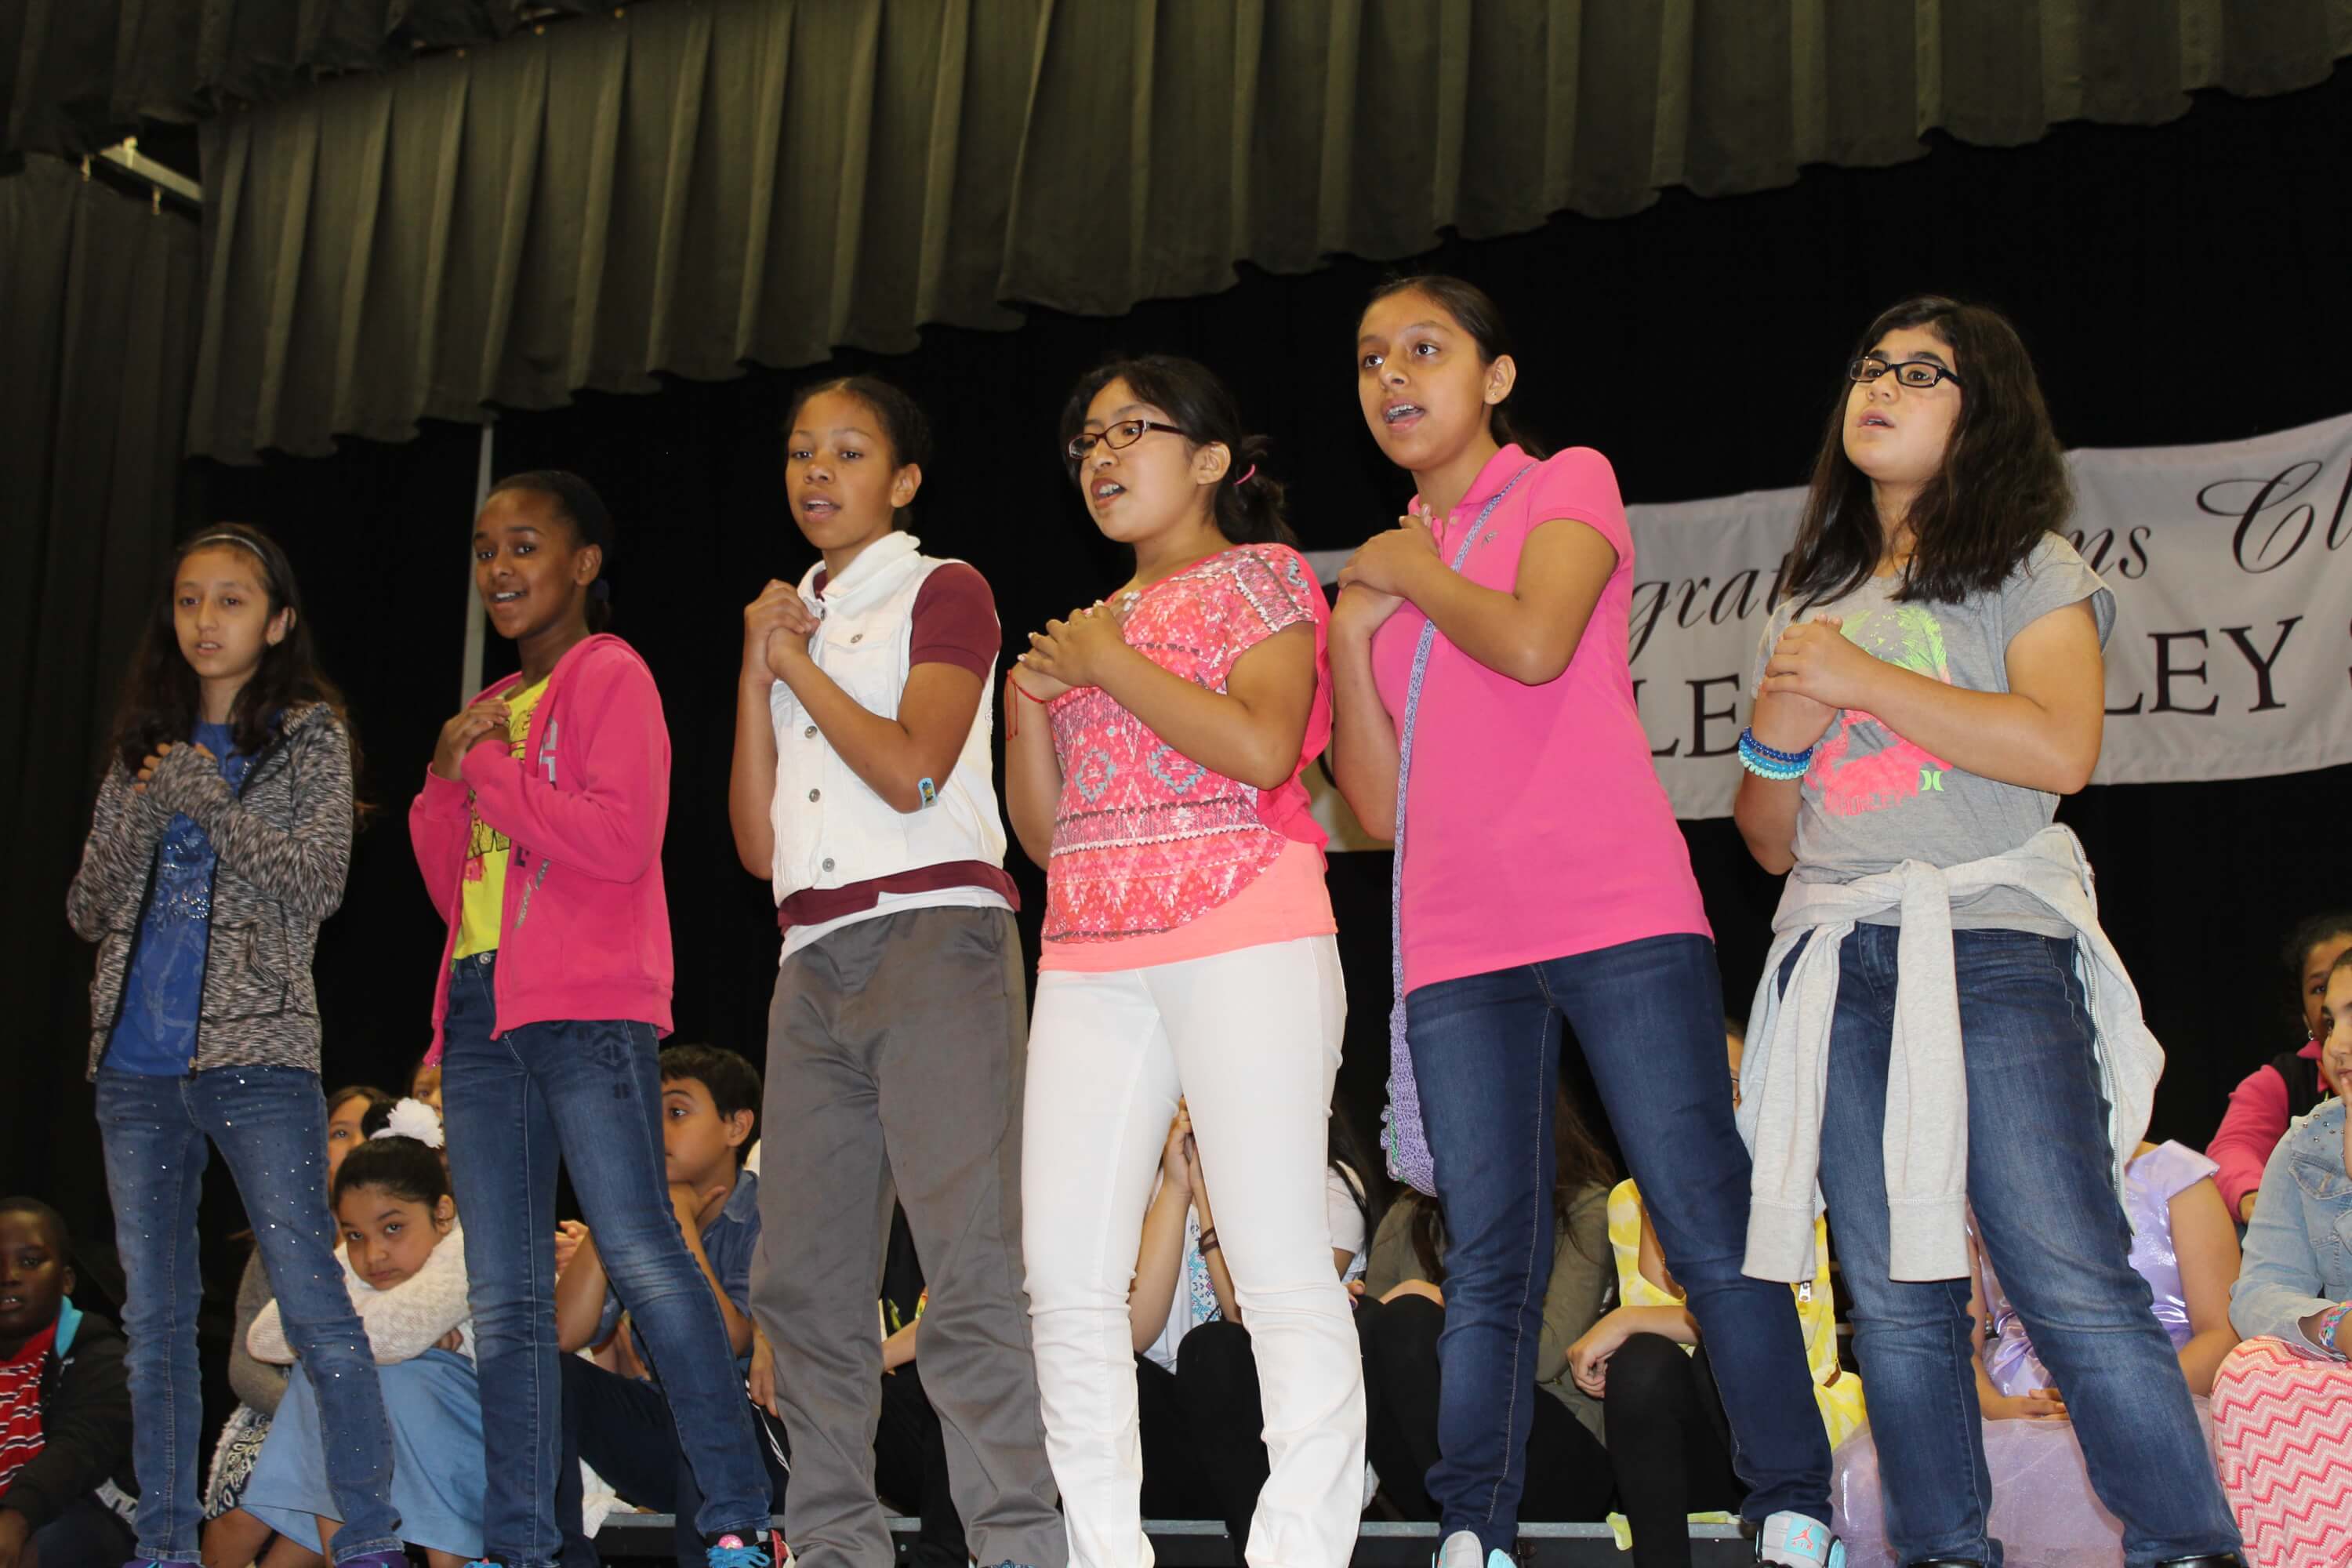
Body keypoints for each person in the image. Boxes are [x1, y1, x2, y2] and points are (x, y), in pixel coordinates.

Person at [1325, 274, 1836, 1568]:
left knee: (1701, 1205)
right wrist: (1351, 628)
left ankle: (1792, 1502)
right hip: (1454, 940)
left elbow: (1540, 642)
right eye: (1373, 357)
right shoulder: (1390, 576)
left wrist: (1409, 574)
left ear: (1496, 378)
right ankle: (1473, 1527)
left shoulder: (1566, 485)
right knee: (1488, 1247)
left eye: (1425, 350)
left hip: (1613, 904)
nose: (1392, 376)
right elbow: (1377, 807)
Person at [1731, 295, 2243, 1568]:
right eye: (1870, 365)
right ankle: (1945, 1552)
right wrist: (1772, 745)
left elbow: (2061, 746)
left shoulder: (2031, 565)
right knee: (1899, 1310)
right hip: (1841, 956)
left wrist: (1857, 679)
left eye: (1923, 372)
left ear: (1984, 413)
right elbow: (1768, 837)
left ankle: (2189, 1544)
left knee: (2066, 1274)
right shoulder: (1812, 588)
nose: (1882, 385)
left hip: (1991, 946)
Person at [1011, 354, 1360, 1568]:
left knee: (1273, 1263)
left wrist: (1107, 665)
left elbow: (1267, 748)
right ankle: (1102, 1549)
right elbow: (1050, 837)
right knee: (1063, 1277)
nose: (1101, 457)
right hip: (1091, 951)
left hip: (1247, 930)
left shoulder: (1260, 578)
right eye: (1084, 443)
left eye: (1132, 432)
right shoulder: (1087, 630)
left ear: (1212, 460)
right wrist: (1030, 705)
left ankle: (1303, 1546)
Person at [412, 472, 774, 1568]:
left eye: (526, 545)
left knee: (641, 1248)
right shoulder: (483, 720)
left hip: (584, 1008)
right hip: (482, 1007)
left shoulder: (606, 675)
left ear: (583, 564)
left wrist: (483, 766)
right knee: (505, 1296)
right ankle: (528, 1543)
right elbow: (455, 889)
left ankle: (734, 1518)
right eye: (484, 550)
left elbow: (618, 841)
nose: (501, 569)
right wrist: (443, 784)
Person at [729, 376, 1061, 1568]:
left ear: (903, 481)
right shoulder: (789, 614)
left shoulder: (943, 586)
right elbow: (759, 845)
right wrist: (754, 668)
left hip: (935, 940)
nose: (817, 470)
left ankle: (1017, 1546)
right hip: (807, 957)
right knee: (806, 1288)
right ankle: (831, 1547)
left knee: (966, 1273)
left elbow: (917, 769)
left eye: (850, 451)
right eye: (801, 451)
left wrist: (797, 664)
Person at [67, 523, 403, 1568]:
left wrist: (206, 798)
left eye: (231, 600)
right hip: (135, 1067)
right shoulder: (144, 744)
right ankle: (165, 1548)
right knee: (160, 1321)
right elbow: (86, 905)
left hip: (259, 1059)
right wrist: (146, 803)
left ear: (278, 620)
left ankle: (371, 1541)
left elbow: (317, 884)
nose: (206, 620)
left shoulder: (308, 737)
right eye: (188, 600)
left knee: (313, 1302)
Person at [1833, 1139, 2238, 1565]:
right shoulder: (1973, 1190)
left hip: (2163, 1396)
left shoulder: (2174, 1176)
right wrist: (1993, 1407)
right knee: (1883, 1477)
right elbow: (1954, 1342)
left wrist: (2123, 1400)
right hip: (2018, 1405)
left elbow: (2221, 1332)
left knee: (2098, 1468)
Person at [1567, 1025, 1864, 1568]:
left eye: (1733, 1084)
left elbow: (1779, 1329)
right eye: (1700, 1083)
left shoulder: (1789, 1187)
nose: (1719, 1100)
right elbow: (1656, 1316)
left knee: (1718, 1349)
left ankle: (1787, 1528)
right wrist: (1667, 1186)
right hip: (1692, 1436)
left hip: (1790, 1420)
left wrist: (1628, 1318)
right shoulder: (1630, 1197)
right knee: (1643, 1361)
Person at [552, 1045, 785, 1568]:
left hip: (765, 1443)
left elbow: (728, 1344)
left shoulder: (771, 1218)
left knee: (700, 1392)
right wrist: (611, 1204)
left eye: (676, 1112)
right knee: (547, 1374)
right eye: (644, 1116)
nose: (654, 1131)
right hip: (669, 1442)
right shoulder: (644, 1219)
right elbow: (565, 1334)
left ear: (736, 1126)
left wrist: (680, 1224)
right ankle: (558, 1556)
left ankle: (725, 1552)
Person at [1354, 1090, 1614, 1531]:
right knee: (1364, 1327)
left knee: (1413, 1320)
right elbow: (1372, 1336)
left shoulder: (1582, 1207)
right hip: (1428, 1460)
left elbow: (1547, 1352)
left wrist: (1437, 1300)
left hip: (1548, 1443)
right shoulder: (1410, 1215)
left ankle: (1473, 1529)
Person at [241, 1101, 483, 1568]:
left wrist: (355, 1334)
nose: (373, 1255)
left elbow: (398, 1336)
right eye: (354, 1236)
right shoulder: (365, 1266)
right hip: (395, 1440)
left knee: (352, 1371)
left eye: (393, 1228)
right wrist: (387, 1330)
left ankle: (441, 1556)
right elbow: (265, 1336)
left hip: (495, 1440)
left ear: (443, 1213)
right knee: (332, 1372)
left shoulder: (468, 1249)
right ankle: (352, 1553)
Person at [205, 1084, 397, 1568]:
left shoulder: (406, 1239)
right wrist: (312, 1413)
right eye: (338, 1132)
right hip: (278, 1406)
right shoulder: (284, 1237)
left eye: (365, 1132)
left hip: (377, 1412)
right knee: (247, 1507)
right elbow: (245, 1366)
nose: (353, 1145)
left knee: (319, 1513)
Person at [1172, 1110, 1377, 1559]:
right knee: (1194, 1361)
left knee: (1216, 1350)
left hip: (1284, 1401)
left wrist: (1207, 1198)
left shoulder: (1329, 1187)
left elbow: (1247, 1320)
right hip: (1211, 1416)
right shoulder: (1174, 1184)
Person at [2214, 946, 2352, 1567]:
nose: (2342, 1043)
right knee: (2252, 1369)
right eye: (2331, 1023)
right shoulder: (2305, 1145)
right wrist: (2337, 1325)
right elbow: (2258, 1291)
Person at [0, 1199, 136, 1568]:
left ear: (66, 1280)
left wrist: (15, 1517)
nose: (9, 1275)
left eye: (30, 1262)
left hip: (86, 1518)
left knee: (53, 1538)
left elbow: (77, 1451)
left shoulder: (102, 1356)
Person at [2208, 913, 2352, 1224]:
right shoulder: (2287, 1089)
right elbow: (2234, 1147)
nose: (2335, 991)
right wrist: (2260, 1201)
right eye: (2319, 987)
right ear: (2306, 1017)